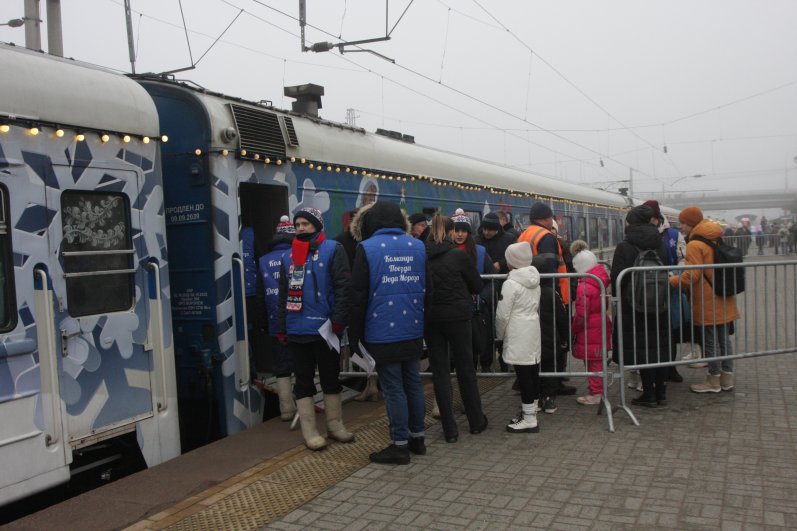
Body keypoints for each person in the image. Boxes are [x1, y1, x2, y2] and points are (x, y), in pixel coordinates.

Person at [348, 201, 428, 465]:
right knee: (413, 383)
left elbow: (358, 295)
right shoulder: (417, 245)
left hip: (382, 330)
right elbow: (428, 285)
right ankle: (418, 438)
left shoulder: (367, 249)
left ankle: (399, 445)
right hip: (413, 327)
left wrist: (355, 334)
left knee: (393, 388)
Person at [277, 207, 354, 450]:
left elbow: (343, 286)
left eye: (306, 224)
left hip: (326, 329)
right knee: (303, 381)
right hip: (297, 329)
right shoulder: (287, 257)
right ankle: (310, 431)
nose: (300, 228)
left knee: (331, 378)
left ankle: (334, 425)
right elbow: (282, 296)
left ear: (317, 226)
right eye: (298, 224)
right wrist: (281, 326)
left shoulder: (333, 249)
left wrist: (339, 319)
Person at [425, 214, 488, 442]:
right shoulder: (457, 256)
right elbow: (477, 285)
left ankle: (449, 429)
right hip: (459, 318)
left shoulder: (422, 255)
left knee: (440, 373)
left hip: (431, 320)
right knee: (465, 369)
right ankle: (475, 421)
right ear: (451, 232)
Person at [669, 206, 740, 393]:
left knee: (710, 341)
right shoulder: (714, 237)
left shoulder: (694, 244)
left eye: (683, 223)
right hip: (723, 295)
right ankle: (727, 379)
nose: (681, 227)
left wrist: (670, 281)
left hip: (707, 299)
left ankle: (713, 381)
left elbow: (691, 276)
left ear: (691, 223)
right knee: (724, 340)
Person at [611, 205, 672, 408]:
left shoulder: (624, 247)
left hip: (634, 307)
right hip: (660, 304)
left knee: (644, 349)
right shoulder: (661, 245)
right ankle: (661, 393)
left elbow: (617, 278)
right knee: (660, 348)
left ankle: (648, 394)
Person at [518, 202, 575, 396]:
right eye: (551, 217)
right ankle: (552, 385)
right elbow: (549, 267)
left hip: (530, 295)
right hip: (550, 295)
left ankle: (539, 383)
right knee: (554, 342)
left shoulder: (524, 234)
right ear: (545, 218)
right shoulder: (546, 236)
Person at [495, 242, 542, 433]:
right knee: (532, 372)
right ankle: (531, 412)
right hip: (532, 329)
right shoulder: (534, 279)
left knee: (523, 376)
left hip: (517, 331)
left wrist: (499, 336)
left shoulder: (511, 283)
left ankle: (529, 418)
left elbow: (502, 315)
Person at [257, 216, 296, 420]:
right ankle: (302, 402)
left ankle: (286, 409)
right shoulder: (296, 257)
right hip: (299, 319)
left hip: (275, 321)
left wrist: (263, 324)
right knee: (301, 362)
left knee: (282, 366)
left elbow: (261, 296)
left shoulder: (263, 261)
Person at [644, 199, 688, 382]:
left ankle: (670, 367)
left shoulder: (673, 235)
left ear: (656, 217)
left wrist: (673, 275)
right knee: (653, 332)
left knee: (670, 331)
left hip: (671, 289)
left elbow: (684, 259)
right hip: (650, 290)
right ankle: (656, 369)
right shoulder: (645, 234)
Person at [451, 208, 497, 372]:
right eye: (457, 230)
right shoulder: (445, 250)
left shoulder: (480, 252)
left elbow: (492, 279)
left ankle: (484, 365)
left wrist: (483, 298)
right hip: (454, 305)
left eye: (464, 230)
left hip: (477, 305)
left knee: (480, 337)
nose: (460, 234)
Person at [571, 248, 612, 405]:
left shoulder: (585, 286)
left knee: (593, 362)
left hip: (589, 330)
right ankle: (597, 390)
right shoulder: (599, 280)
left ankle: (596, 393)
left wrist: (574, 328)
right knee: (597, 361)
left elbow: (581, 314)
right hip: (600, 326)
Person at [532, 255, 570, 415]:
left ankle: (536, 399)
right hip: (550, 340)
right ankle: (549, 399)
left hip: (531, 340)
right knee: (550, 369)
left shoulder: (526, 292)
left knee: (533, 370)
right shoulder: (551, 293)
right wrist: (565, 338)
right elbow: (562, 318)